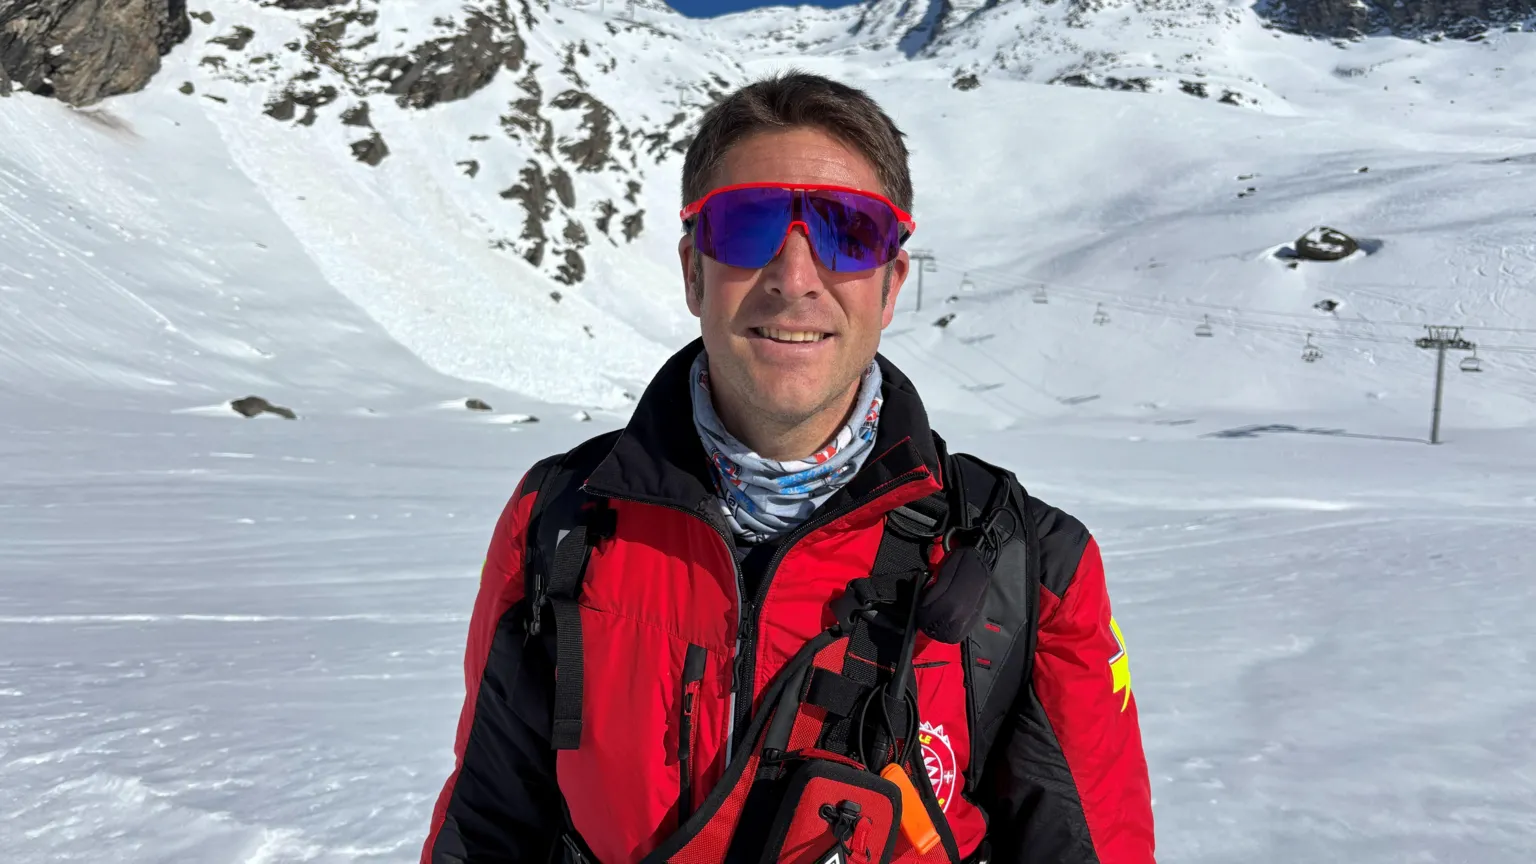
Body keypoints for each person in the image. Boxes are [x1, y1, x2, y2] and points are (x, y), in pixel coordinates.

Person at [421, 71, 1155, 864]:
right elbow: (487, 825)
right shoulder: (559, 521)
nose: (794, 277)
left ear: (891, 281)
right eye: (747, 227)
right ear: (694, 270)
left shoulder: (1029, 563)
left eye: (849, 230)